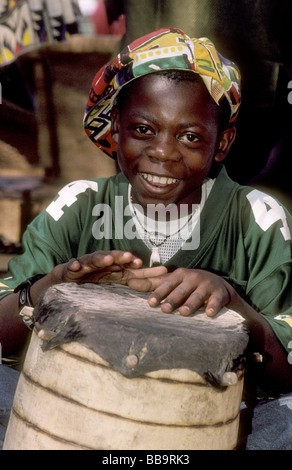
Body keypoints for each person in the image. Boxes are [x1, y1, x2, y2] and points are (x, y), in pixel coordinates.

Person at [0, 27, 291, 449]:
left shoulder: (255, 219)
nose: (163, 152)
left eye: (190, 136)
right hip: (77, 405)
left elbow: (286, 372)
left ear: (222, 142)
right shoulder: (79, 206)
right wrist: (52, 285)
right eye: (143, 130)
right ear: (116, 127)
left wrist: (232, 301)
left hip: (204, 423)